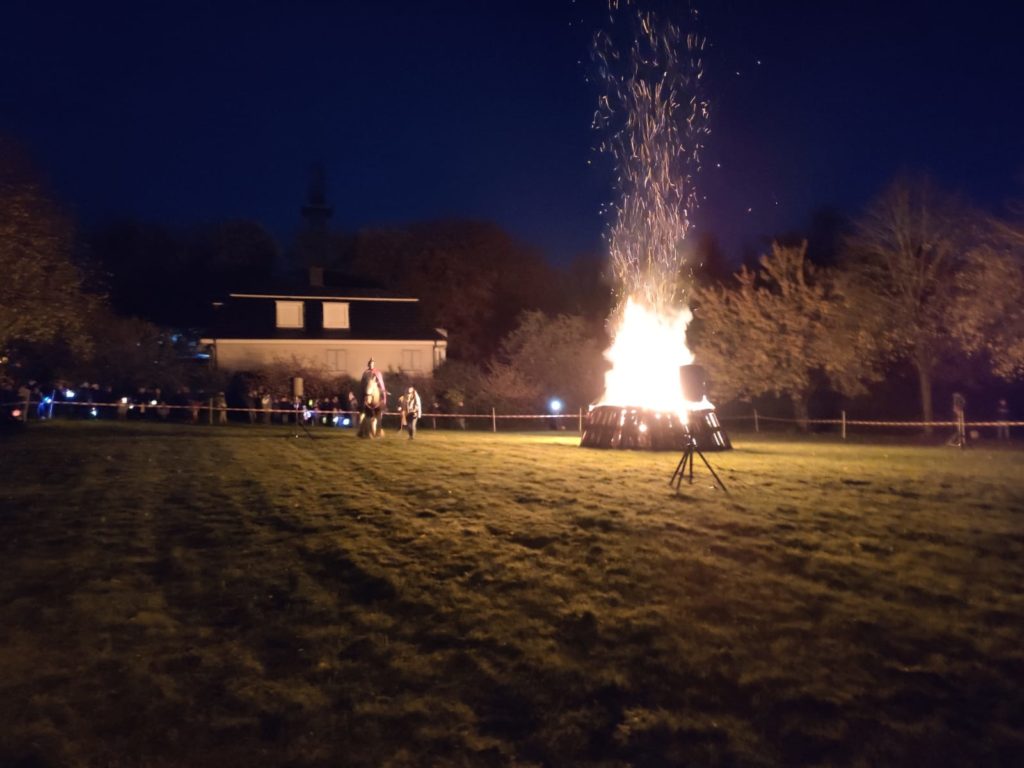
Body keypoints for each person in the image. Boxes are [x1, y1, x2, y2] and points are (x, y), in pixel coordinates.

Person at [358, 358, 387, 438]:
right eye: (370, 364)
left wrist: (379, 387)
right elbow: (363, 382)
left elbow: (380, 383)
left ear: (373, 364)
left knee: (381, 393)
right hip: (367, 390)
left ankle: (383, 406)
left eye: (372, 364)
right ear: (368, 365)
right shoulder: (365, 373)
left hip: (376, 388)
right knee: (363, 394)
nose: (371, 365)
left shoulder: (377, 373)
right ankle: (362, 407)